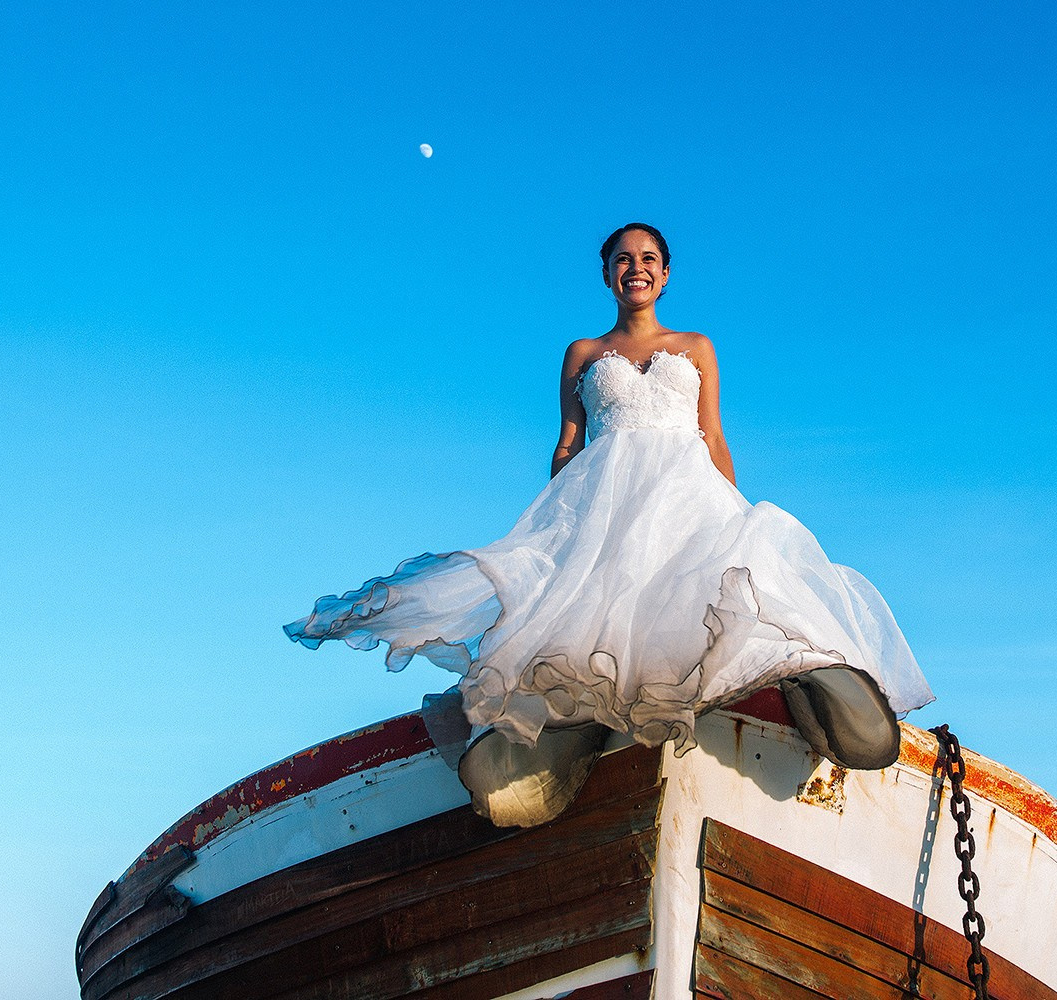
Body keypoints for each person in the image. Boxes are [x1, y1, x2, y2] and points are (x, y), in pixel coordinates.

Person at [288, 223, 933, 826]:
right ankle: (571, 734)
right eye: (623, 259)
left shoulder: (696, 348)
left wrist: (733, 514)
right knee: (589, 614)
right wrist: (556, 531)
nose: (636, 269)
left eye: (648, 259)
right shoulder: (583, 353)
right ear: (606, 273)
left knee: (731, 598)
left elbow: (712, 434)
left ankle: (801, 693)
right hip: (602, 500)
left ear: (667, 273)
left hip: (688, 493)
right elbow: (567, 444)